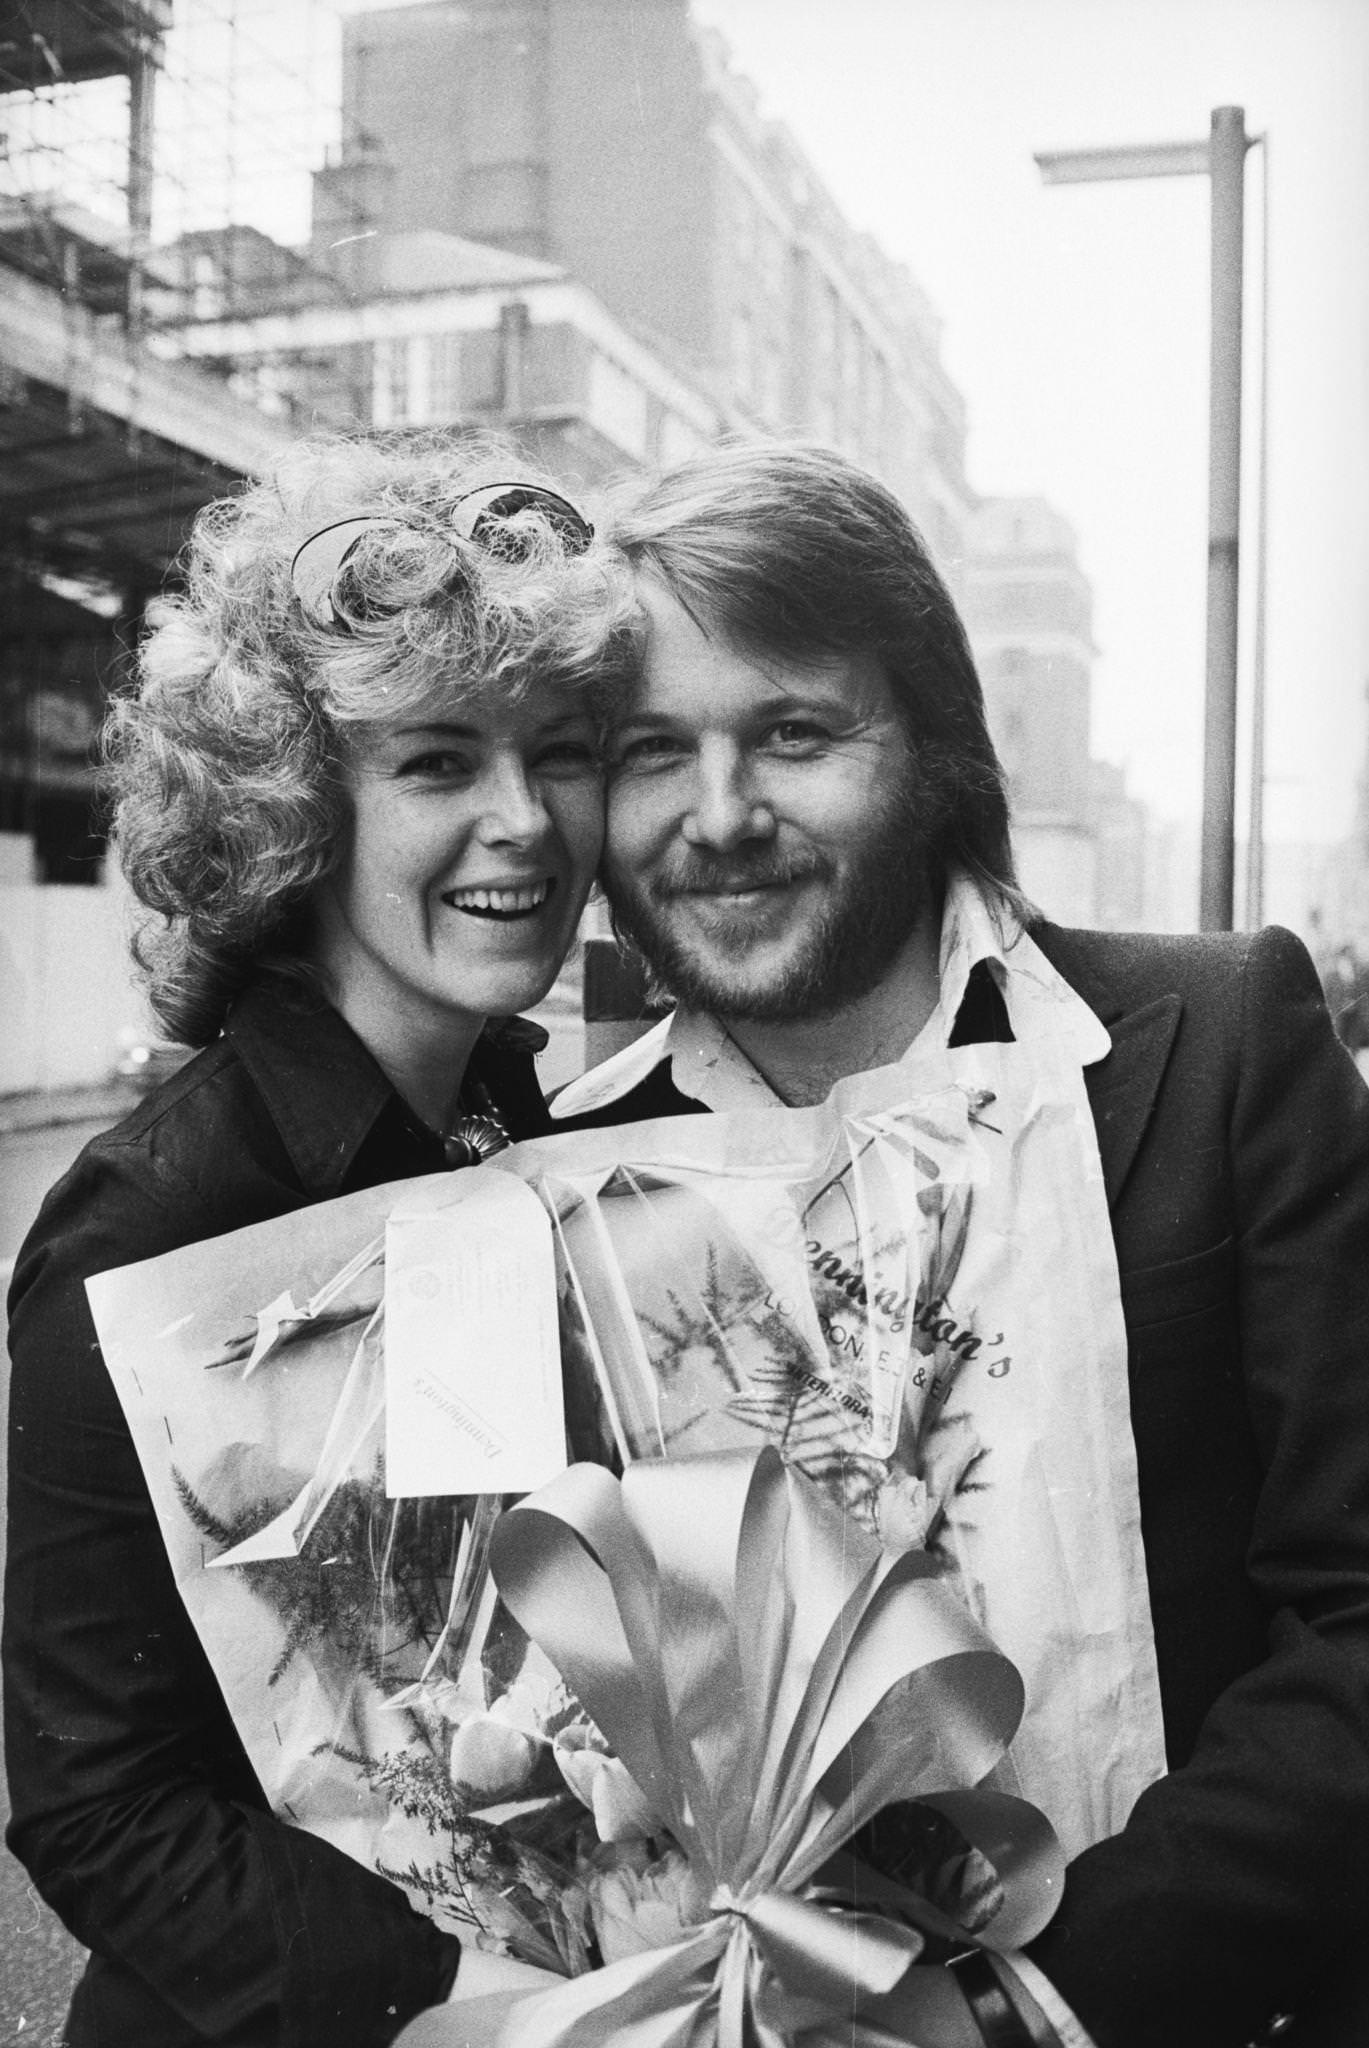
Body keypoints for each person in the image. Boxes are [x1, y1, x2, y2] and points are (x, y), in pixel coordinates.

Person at [550, 439, 1369, 2048]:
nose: (720, 816)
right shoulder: (551, 1166)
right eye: (652, 752)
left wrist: (1028, 2006)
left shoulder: (1214, 1043)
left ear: (929, 742)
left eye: (792, 733)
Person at [3, 431, 633, 2047]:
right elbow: (101, 1807)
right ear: (298, 811)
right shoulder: (157, 1221)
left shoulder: (520, 1128)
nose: (523, 820)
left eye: (558, 752)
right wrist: (461, 1997)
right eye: (436, 762)